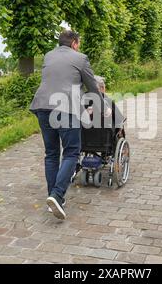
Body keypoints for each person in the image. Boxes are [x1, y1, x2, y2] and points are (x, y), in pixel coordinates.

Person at [30, 30, 109, 220]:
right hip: (65, 108)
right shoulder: (81, 58)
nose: (79, 46)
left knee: (51, 153)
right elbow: (92, 86)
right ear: (74, 43)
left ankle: (54, 197)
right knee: (72, 152)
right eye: (78, 43)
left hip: (42, 106)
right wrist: (102, 106)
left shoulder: (48, 56)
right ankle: (57, 194)